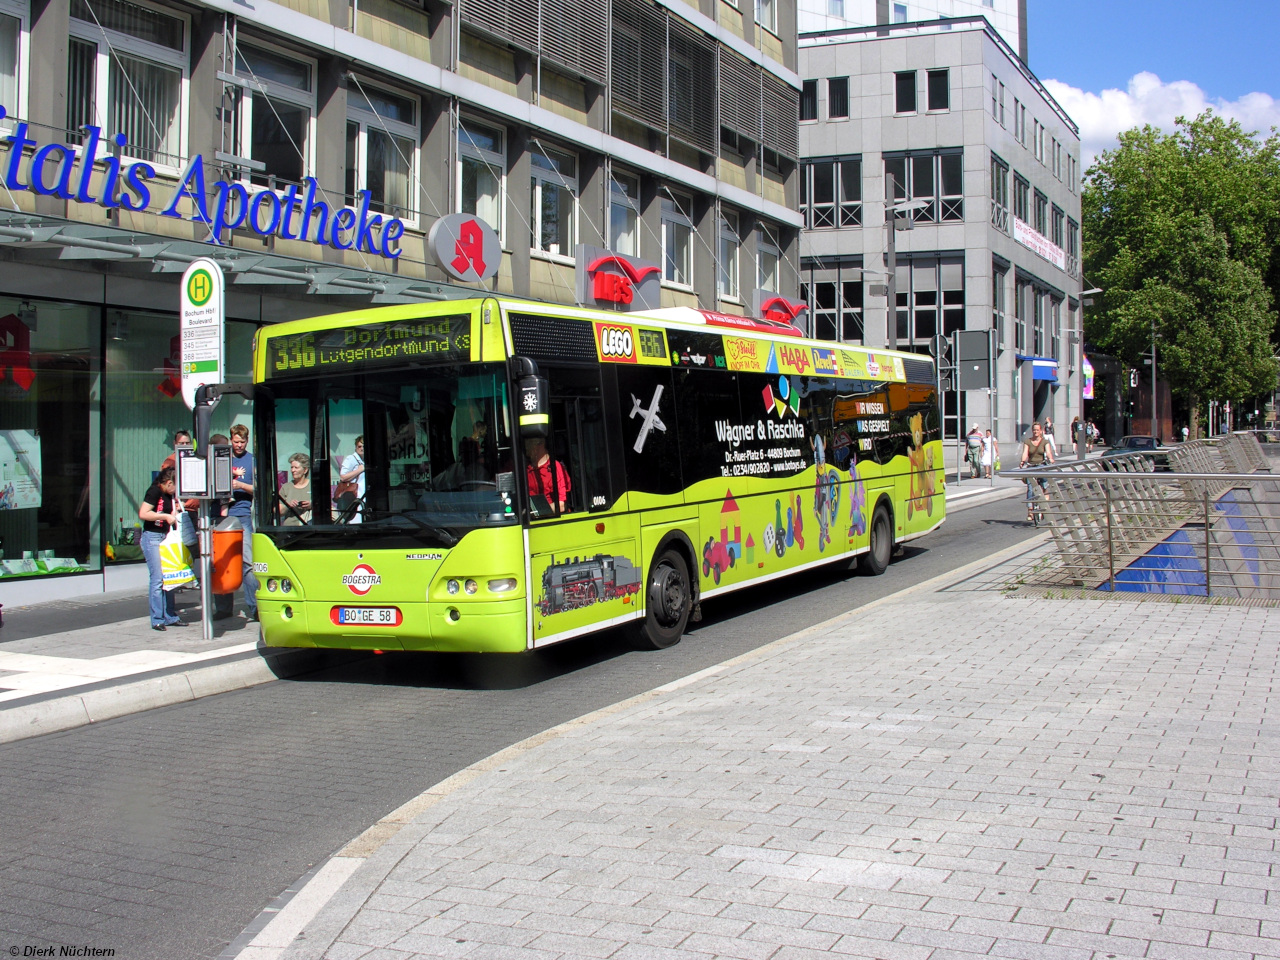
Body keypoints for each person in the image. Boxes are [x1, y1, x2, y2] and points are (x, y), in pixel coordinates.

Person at [214, 424, 258, 621]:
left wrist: (240, 485)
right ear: (231, 440)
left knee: (248, 562)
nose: (239, 445)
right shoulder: (222, 457)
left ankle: (255, 607)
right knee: (221, 562)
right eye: (236, 441)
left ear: (247, 441)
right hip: (221, 516)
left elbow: (258, 488)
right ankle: (223, 608)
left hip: (242, 515)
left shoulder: (252, 460)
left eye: (242, 442)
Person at [138, 466, 184, 631]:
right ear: (169, 483)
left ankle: (170, 616)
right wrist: (165, 516)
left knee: (169, 578)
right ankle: (157, 618)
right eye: (175, 486)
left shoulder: (168, 495)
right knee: (157, 578)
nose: (176, 490)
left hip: (164, 537)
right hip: (152, 537)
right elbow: (143, 513)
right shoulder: (154, 491)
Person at [160, 429, 200, 551]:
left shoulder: (196, 460)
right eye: (181, 444)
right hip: (175, 511)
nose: (184, 446)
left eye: (187, 443)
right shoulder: (169, 462)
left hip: (191, 510)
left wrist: (189, 503)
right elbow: (164, 487)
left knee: (191, 548)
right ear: (175, 444)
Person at [524, 436, 570, 515]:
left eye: (530, 443)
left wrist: (534, 512)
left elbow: (561, 505)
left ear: (541, 444)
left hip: (551, 519)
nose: (526, 447)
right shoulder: (525, 468)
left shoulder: (555, 467)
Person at [1019, 421, 1055, 522]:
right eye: (1034, 430)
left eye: (1037, 430)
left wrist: (1051, 459)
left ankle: (1044, 506)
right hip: (1031, 465)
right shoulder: (1028, 441)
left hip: (1041, 464)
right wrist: (1022, 461)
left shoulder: (1045, 442)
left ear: (1041, 431)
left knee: (1044, 484)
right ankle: (1030, 511)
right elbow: (1025, 453)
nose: (1035, 432)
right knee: (1030, 488)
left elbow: (1048, 452)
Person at [337, 436, 366, 523]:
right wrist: (360, 470)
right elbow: (343, 477)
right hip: (354, 497)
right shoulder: (351, 459)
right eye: (359, 446)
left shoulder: (364, 459)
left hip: (363, 497)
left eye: (363, 446)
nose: (361, 448)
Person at [279, 453, 312, 526]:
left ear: (305, 470)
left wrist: (311, 505)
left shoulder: (313, 486)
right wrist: (288, 505)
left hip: (310, 528)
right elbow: (279, 512)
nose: (293, 470)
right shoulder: (286, 487)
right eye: (291, 467)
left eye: (296, 468)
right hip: (290, 529)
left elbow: (326, 508)